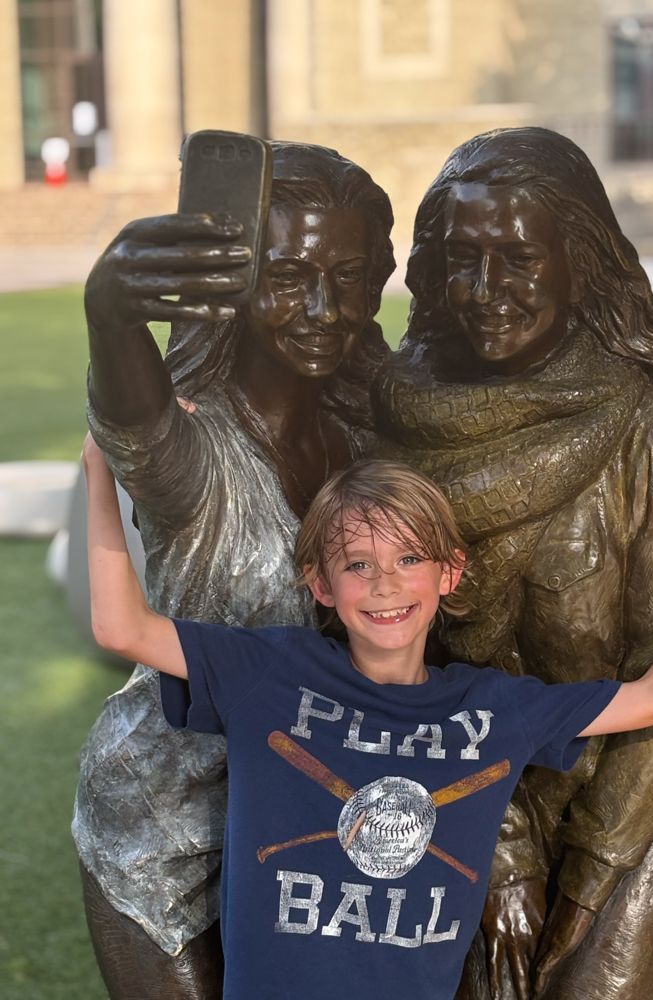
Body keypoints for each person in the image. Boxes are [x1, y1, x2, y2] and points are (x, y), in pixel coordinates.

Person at [81, 436, 653, 1000]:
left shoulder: (492, 710)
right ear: (320, 583)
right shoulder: (270, 675)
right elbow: (121, 628)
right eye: (357, 565)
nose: (384, 584)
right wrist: (98, 475)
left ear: (449, 573)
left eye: (408, 560)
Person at [372, 127, 653, 999]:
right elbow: (395, 665)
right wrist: (502, 854)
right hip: (467, 792)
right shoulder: (392, 425)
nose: (486, 291)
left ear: (581, 263)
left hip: (637, 787)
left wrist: (585, 882)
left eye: (519, 259)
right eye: (464, 259)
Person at [72, 141, 395, 999]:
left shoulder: (372, 442)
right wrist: (110, 311)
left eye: (349, 276)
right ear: (235, 285)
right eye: (287, 275)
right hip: (161, 835)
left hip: (308, 839)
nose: (323, 307)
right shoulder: (197, 444)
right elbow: (135, 421)